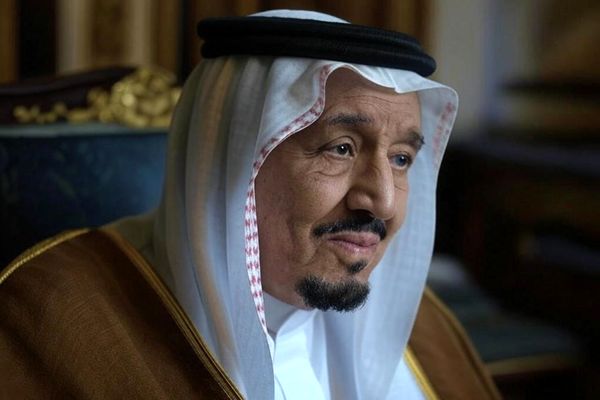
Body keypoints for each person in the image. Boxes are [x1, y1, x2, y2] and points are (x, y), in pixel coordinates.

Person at [0, 9, 500, 400]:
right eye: (341, 149)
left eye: (401, 159)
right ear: (232, 159)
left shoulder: (418, 324)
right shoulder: (54, 321)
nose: (382, 201)